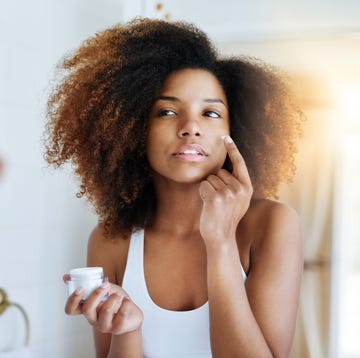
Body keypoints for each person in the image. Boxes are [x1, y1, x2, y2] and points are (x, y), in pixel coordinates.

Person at [45, 18, 304, 358]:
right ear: (134, 128)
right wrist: (127, 331)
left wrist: (221, 241)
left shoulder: (272, 225)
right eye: (167, 111)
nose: (191, 127)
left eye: (211, 113)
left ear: (236, 130)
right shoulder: (111, 239)